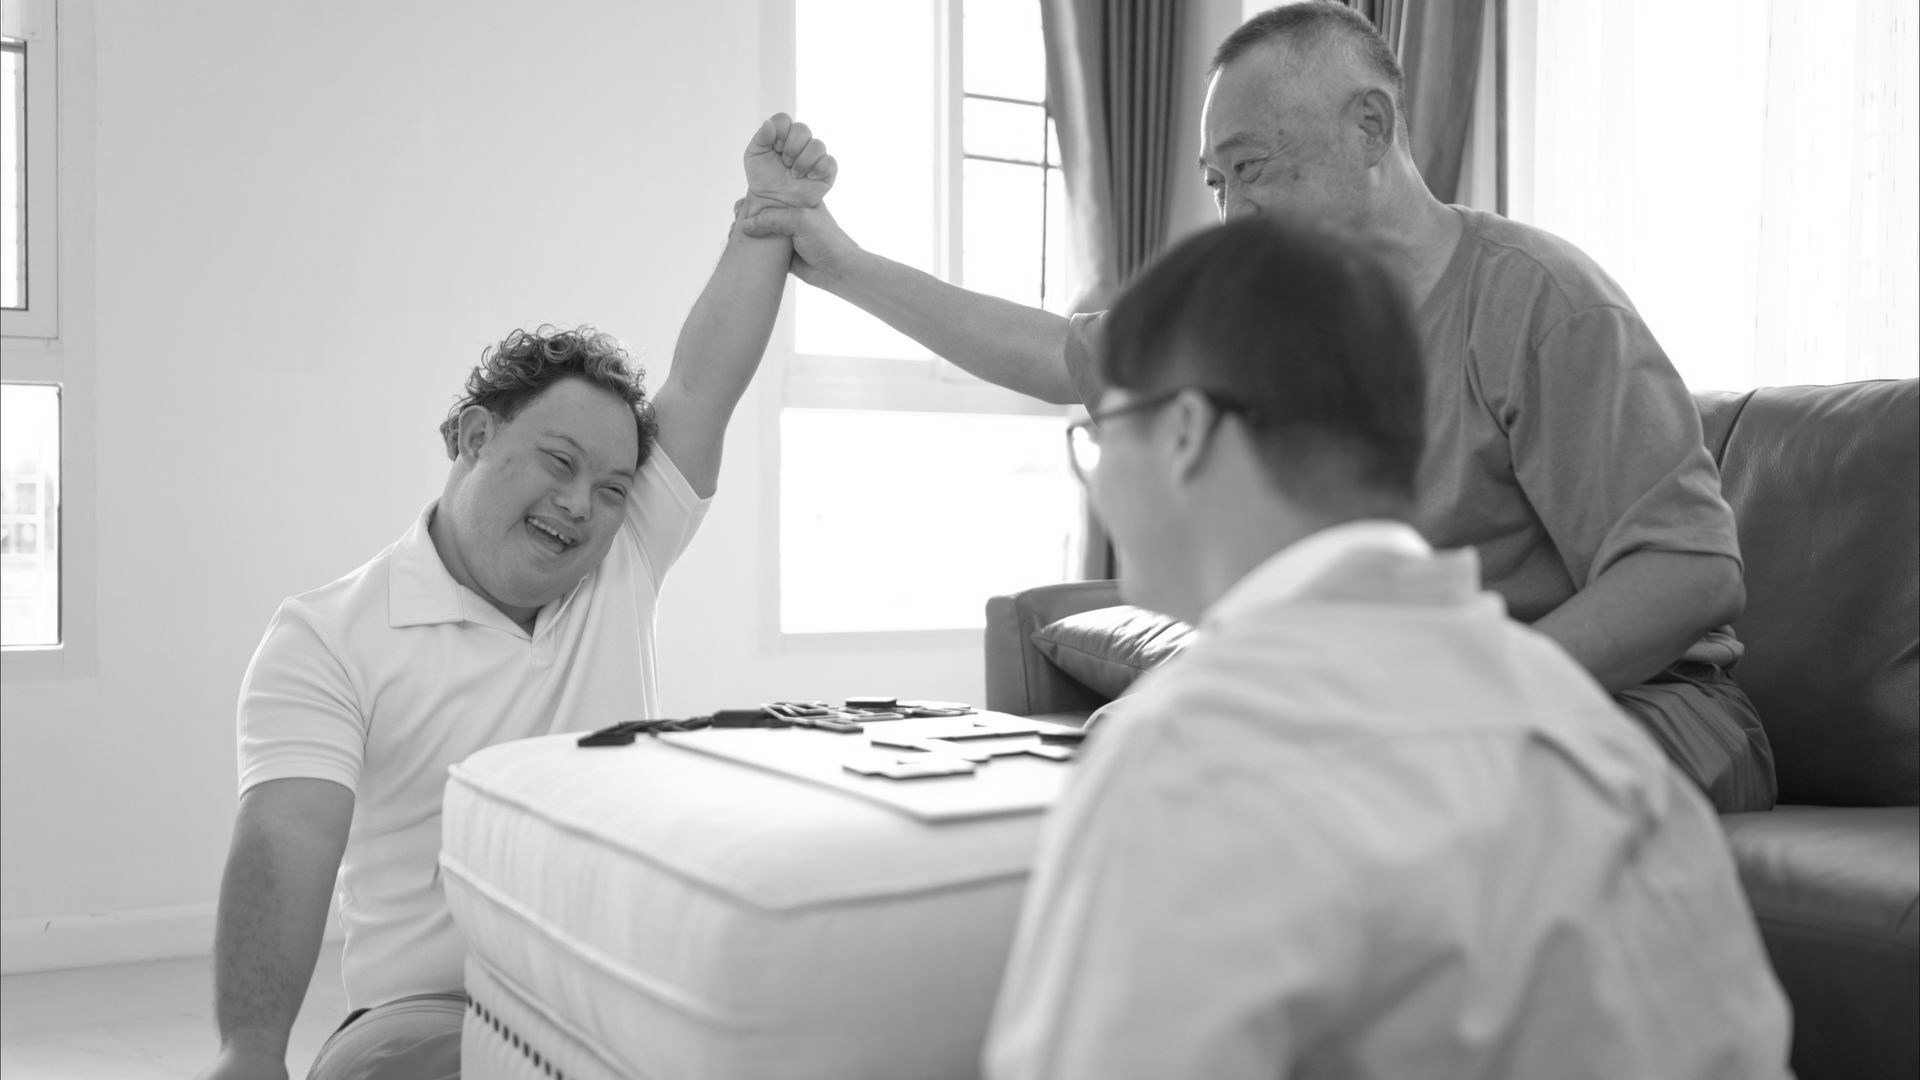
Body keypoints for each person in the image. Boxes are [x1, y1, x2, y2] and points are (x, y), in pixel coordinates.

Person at [740, 1, 1775, 811]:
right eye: (1215, 182)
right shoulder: (1268, 323)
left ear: (1370, 128)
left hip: (1647, 705)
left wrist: (1464, 696)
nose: (1232, 213)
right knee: (1135, 754)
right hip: (1399, 697)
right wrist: (841, 265)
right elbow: (1064, 351)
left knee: (1373, 800)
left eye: (1254, 171)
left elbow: (1689, 571)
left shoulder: (1540, 303)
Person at [981, 214, 1792, 1080]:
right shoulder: (1616, 763)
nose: (1097, 478)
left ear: (1184, 434)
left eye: (1102, 433)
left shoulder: (1186, 760)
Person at [197, 114, 837, 1080]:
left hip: (623, 987)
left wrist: (767, 219)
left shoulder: (622, 557)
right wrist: (250, 1052)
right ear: (468, 440)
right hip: (426, 1015)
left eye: (614, 486)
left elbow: (706, 380)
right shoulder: (324, 639)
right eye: (559, 461)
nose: (583, 506)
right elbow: (287, 839)